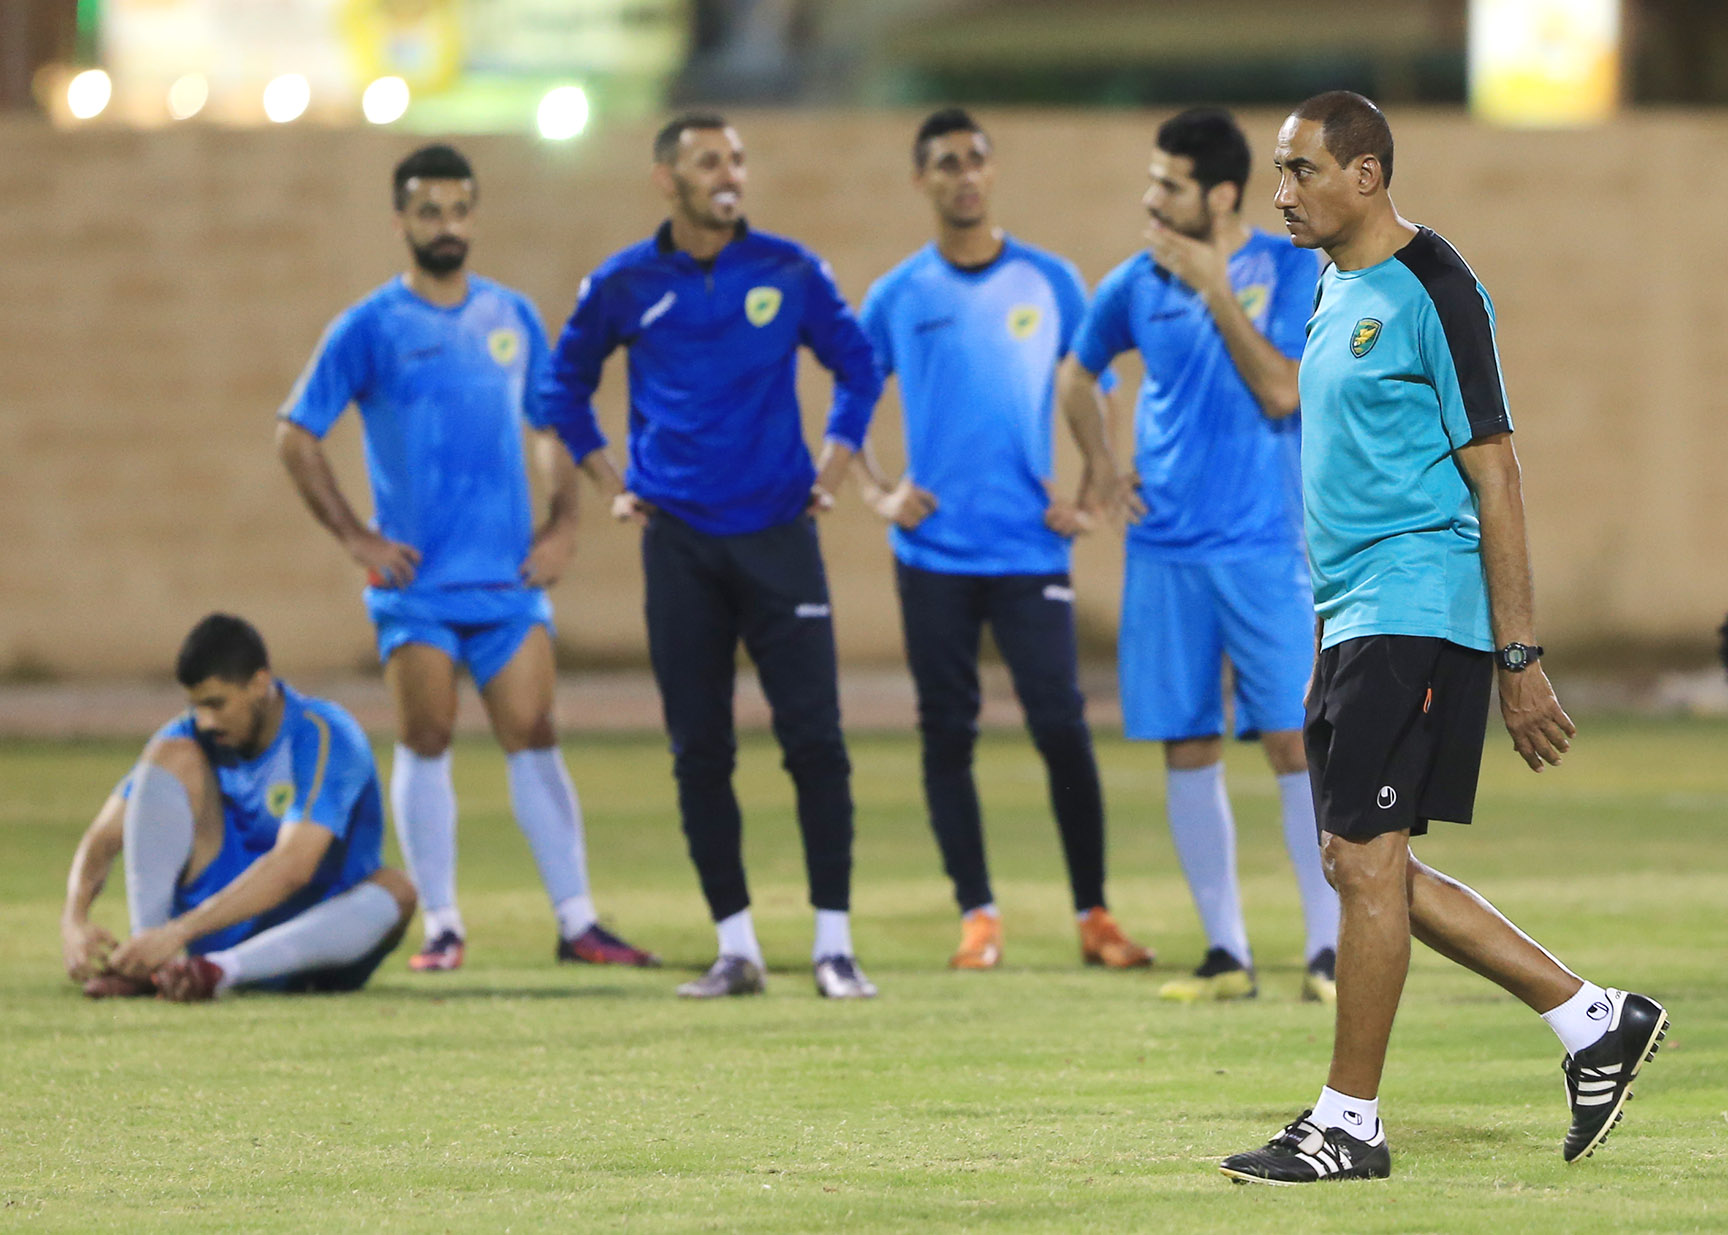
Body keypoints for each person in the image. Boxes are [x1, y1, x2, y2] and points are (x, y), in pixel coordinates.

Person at [1219, 91, 1667, 1184]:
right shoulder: (1333, 282)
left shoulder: (1437, 285)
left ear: (1366, 174)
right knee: (1358, 859)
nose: (1283, 192)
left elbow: (1497, 471)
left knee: (1366, 865)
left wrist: (1521, 656)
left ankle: (1349, 1122)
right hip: (1356, 613)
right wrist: (1325, 630)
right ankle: (1590, 1016)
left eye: (1302, 170)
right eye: (1280, 171)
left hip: (1421, 606)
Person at [276, 143, 655, 974]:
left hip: (507, 580)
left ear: (474, 216)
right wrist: (356, 537)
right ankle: (443, 922)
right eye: (428, 211)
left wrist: (564, 526)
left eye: (457, 210)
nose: (445, 225)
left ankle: (578, 920)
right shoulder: (370, 325)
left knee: (536, 730)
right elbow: (295, 434)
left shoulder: (511, 317)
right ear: (400, 221)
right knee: (428, 733)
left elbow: (551, 423)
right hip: (415, 589)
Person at [541, 113, 884, 999]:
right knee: (700, 750)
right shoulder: (623, 282)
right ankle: (736, 947)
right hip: (681, 545)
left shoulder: (788, 268)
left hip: (779, 533)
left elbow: (860, 366)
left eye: (735, 158)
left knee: (816, 742)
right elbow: (561, 386)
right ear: (668, 179)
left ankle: (833, 946)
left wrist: (836, 464)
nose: (729, 173)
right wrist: (609, 478)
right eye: (708, 161)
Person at [856, 108, 1152, 972]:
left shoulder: (1051, 282)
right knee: (947, 733)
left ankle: (1094, 914)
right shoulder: (898, 294)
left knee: (1061, 726)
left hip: (1029, 549)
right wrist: (880, 490)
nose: (964, 174)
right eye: (945, 163)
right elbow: (849, 399)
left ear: (991, 171)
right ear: (923, 181)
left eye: (975, 159)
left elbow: (1097, 384)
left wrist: (1094, 490)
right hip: (934, 553)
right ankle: (977, 915)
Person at [1057, 108, 1339, 1003]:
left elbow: (1284, 388)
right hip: (1166, 549)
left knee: (1296, 742)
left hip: (1264, 547)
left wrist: (1217, 286)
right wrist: (1102, 465)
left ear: (1219, 194)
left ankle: (1326, 951)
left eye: (1168, 183)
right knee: (1186, 741)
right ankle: (1227, 953)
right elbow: (1076, 372)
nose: (1151, 197)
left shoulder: (1292, 270)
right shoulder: (1136, 282)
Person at [60, 614, 417, 1001]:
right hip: (209, 931)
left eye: (216, 703)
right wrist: (74, 919)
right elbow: (105, 833)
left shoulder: (324, 734)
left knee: (397, 890)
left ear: (259, 683)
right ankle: (150, 963)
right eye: (196, 706)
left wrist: (179, 932)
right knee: (168, 756)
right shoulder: (189, 735)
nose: (205, 720)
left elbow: (293, 867)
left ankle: (219, 970)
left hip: (316, 941)